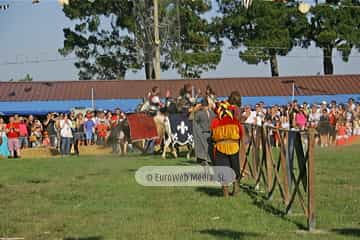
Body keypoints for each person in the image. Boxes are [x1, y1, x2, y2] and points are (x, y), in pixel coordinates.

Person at [211, 100, 243, 197]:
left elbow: (212, 135)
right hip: (234, 146)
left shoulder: (215, 122)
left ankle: (225, 192)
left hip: (220, 147)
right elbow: (240, 134)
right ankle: (236, 188)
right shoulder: (235, 121)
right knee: (235, 167)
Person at [193, 98, 216, 165]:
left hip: (211, 132)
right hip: (203, 132)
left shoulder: (212, 113)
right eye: (204, 106)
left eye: (206, 106)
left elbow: (214, 120)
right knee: (204, 147)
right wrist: (199, 131)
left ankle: (210, 159)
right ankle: (205, 160)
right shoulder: (199, 113)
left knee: (210, 147)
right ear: (202, 106)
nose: (205, 107)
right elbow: (195, 122)